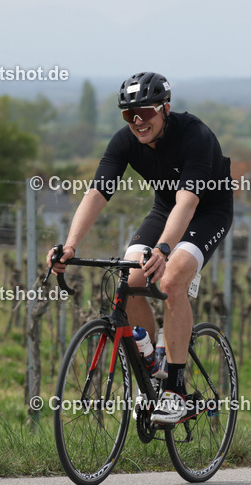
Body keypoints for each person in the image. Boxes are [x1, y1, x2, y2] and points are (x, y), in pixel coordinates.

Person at [51, 72, 233, 424]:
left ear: (165, 108)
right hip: (166, 210)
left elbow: (188, 203)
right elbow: (96, 193)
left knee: (172, 279)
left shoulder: (195, 135)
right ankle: (151, 365)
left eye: (145, 112)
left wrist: (165, 249)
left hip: (206, 212)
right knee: (129, 278)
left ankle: (176, 390)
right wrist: (70, 245)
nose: (137, 121)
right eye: (128, 115)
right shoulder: (124, 142)